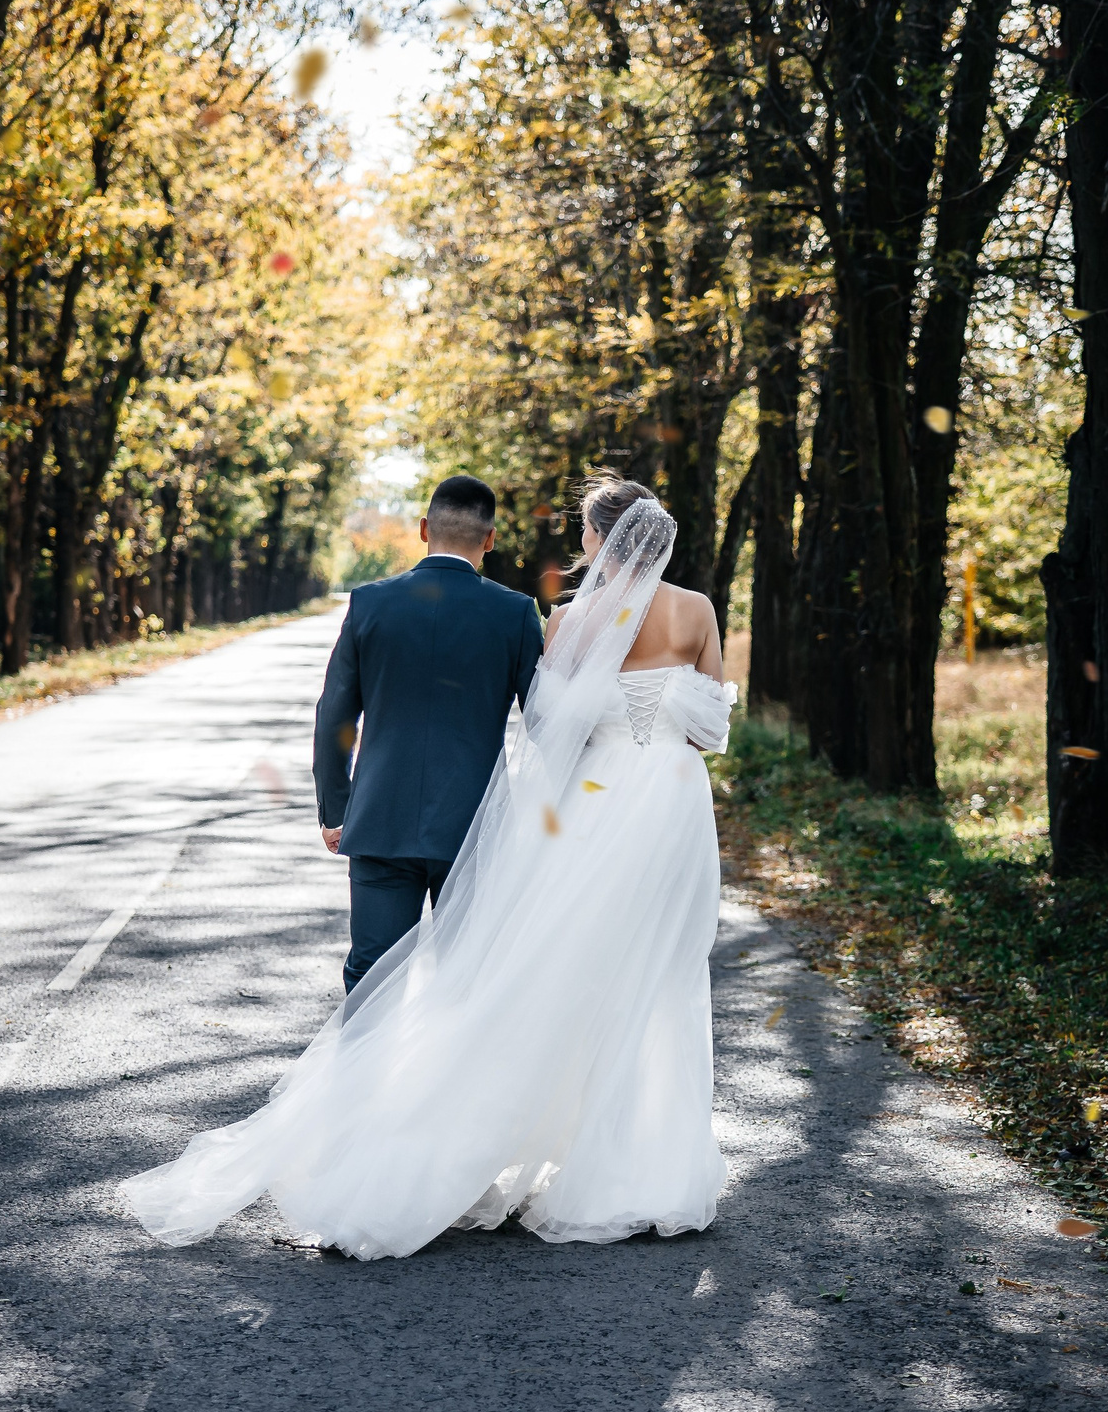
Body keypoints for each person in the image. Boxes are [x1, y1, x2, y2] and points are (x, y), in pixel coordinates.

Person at [121, 477, 735, 1259]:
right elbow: (694, 726)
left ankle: (374, 1140)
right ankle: (641, 1164)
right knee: (646, 978)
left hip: (502, 809)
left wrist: (341, 806)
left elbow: (372, 711)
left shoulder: (530, 614)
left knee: (400, 975)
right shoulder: (642, 612)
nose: (580, 543)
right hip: (664, 809)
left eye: (584, 531)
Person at [309, 473, 544, 993]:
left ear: (422, 529)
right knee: (467, 978)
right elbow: (545, 723)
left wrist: (336, 808)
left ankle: (362, 1075)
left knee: (372, 975)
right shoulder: (515, 613)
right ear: (490, 538)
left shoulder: (370, 603)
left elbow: (334, 715)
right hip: (474, 825)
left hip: (379, 819)